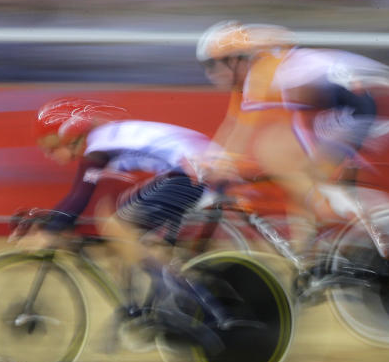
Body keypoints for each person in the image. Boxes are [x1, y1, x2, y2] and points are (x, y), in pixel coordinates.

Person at [18, 97, 237, 333]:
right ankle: (138, 309)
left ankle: (179, 294)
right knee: (115, 224)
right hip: (193, 168)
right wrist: (59, 222)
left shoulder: (98, 145)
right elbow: (95, 201)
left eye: (52, 145)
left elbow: (79, 198)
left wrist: (51, 230)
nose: (49, 154)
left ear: (70, 133)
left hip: (192, 172)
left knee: (115, 227)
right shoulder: (109, 139)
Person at [195, 20, 389, 246]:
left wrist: (219, 164)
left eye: (213, 65)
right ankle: (309, 251)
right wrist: (214, 159)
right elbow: (233, 124)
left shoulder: (262, 72)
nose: (211, 74)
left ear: (235, 60)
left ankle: (379, 227)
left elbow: (247, 130)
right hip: (356, 102)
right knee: (299, 178)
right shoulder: (255, 75)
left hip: (360, 105)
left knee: (282, 156)